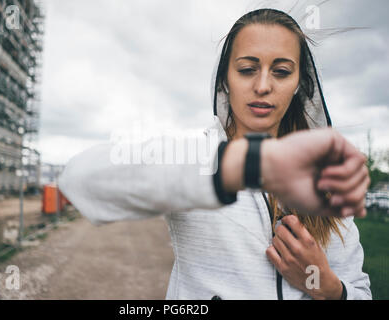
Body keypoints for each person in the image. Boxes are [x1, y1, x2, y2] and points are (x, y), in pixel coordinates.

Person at [59, 9, 371, 300]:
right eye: (247, 69)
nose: (263, 86)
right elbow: (80, 180)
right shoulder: (195, 156)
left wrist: (326, 285)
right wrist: (240, 166)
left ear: (299, 84)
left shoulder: (326, 177)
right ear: (225, 79)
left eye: (281, 71)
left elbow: (360, 291)